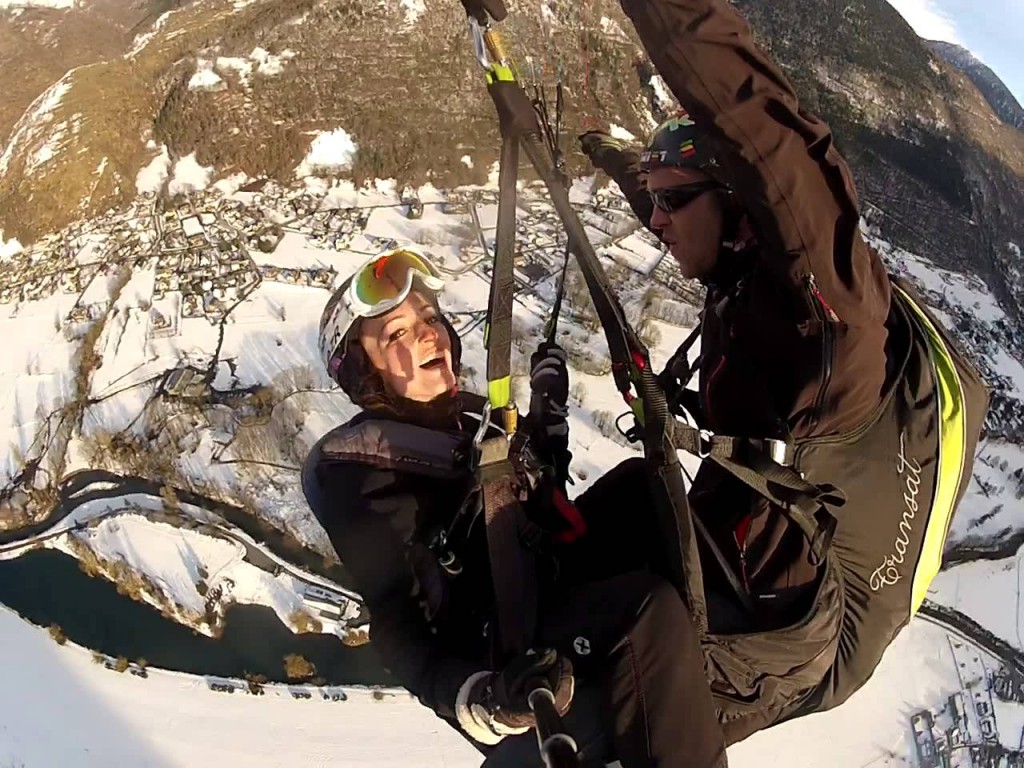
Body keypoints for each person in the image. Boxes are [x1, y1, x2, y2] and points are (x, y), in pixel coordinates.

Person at [573, 0, 896, 747]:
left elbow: (761, 134)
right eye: (654, 202)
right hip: (730, 553)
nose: (655, 222)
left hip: (779, 628)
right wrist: (614, 159)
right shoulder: (741, 275)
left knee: (594, 717)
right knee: (622, 502)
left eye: (671, 203)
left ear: (741, 206)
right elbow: (689, 195)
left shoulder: (828, 311)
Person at [303, 245, 727, 767]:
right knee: (645, 608)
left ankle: (713, 635)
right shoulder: (364, 474)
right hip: (500, 645)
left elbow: (523, 489)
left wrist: (547, 413)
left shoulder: (460, 417)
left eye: (430, 317)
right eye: (396, 334)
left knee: (643, 486)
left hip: (536, 575)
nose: (430, 333)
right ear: (366, 375)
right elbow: (397, 625)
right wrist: (480, 698)